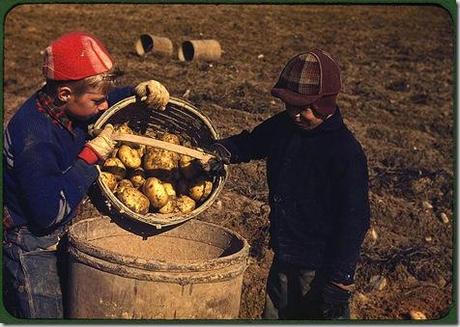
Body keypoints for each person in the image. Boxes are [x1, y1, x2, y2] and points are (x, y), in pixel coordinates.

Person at [3, 31, 170, 319]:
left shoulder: (66, 104)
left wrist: (135, 93)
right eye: (98, 100)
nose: (104, 107)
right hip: (31, 241)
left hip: (59, 228)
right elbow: (46, 215)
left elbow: (93, 103)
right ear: (65, 94)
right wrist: (89, 158)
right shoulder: (35, 138)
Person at [211, 49, 371, 319]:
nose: (295, 114)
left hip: (320, 268)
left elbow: (354, 219)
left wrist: (341, 280)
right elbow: (252, 142)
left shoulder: (344, 152)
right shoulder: (283, 126)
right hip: (285, 254)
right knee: (277, 314)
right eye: (289, 106)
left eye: (303, 108)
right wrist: (225, 150)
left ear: (325, 105)